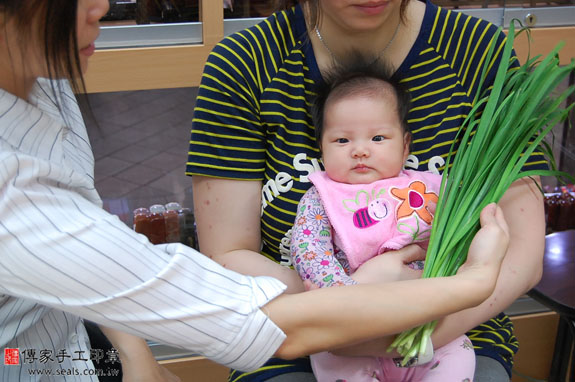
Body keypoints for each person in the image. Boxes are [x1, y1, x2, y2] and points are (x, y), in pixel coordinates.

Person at [0, 1, 511, 381]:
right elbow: (250, 316)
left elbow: (100, 258)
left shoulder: (43, 78)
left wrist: (133, 353)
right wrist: (472, 280)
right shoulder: (12, 188)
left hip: (61, 351)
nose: (103, 6)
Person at [187, 0, 547, 381]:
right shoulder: (246, 63)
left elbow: (522, 255)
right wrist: (345, 304)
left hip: (456, 324)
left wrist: (406, 328)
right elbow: (228, 254)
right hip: (295, 328)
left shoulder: (477, 53)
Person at [290, 64, 475, 381]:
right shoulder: (322, 198)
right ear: (321, 148)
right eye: (342, 141)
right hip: (351, 333)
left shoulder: (428, 190)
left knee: (458, 357)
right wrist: (344, 295)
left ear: (405, 146)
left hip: (428, 327)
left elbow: (460, 235)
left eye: (377, 137)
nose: (360, 150)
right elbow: (308, 250)